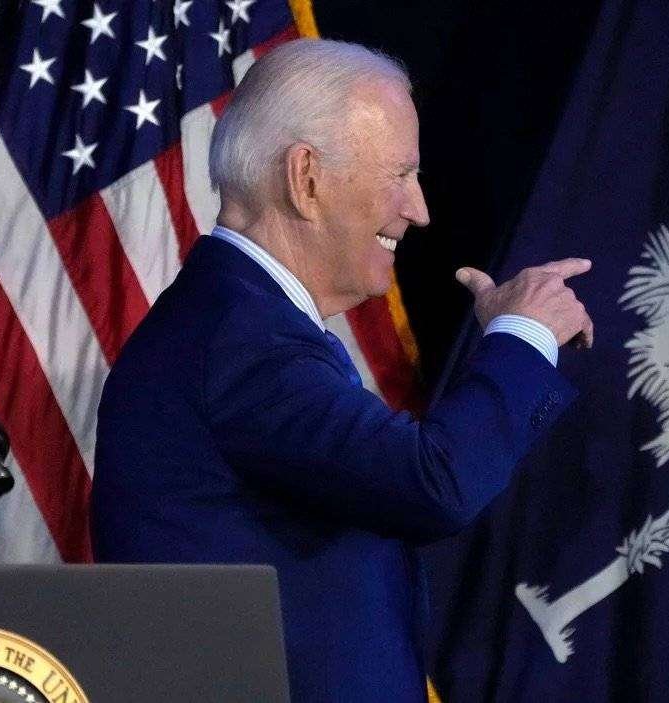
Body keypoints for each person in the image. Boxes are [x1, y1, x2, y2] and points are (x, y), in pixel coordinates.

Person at [91, 39, 594, 702]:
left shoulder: (237, 322)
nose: (419, 210)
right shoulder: (241, 340)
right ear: (306, 178)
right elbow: (432, 482)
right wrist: (524, 335)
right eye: (400, 174)